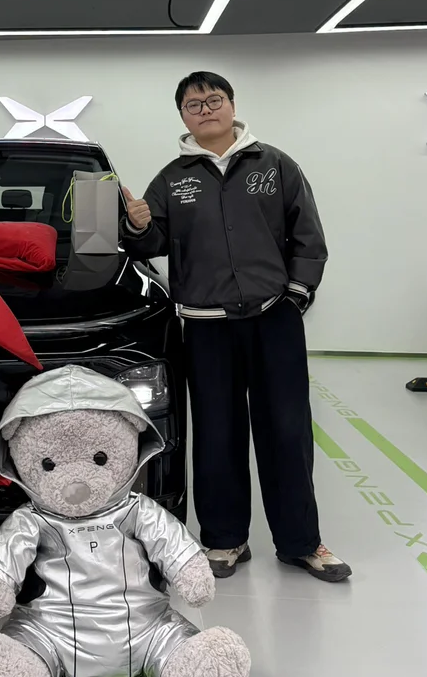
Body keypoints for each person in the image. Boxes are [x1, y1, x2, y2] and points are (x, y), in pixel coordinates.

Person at [121, 71, 351, 584]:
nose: (205, 109)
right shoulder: (172, 179)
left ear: (231, 105)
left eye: (213, 100)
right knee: (217, 434)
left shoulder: (275, 165)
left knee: (287, 431)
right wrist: (138, 223)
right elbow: (151, 245)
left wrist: (296, 295)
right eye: (193, 104)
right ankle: (224, 539)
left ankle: (301, 542)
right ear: (182, 116)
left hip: (273, 321)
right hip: (207, 329)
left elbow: (308, 236)